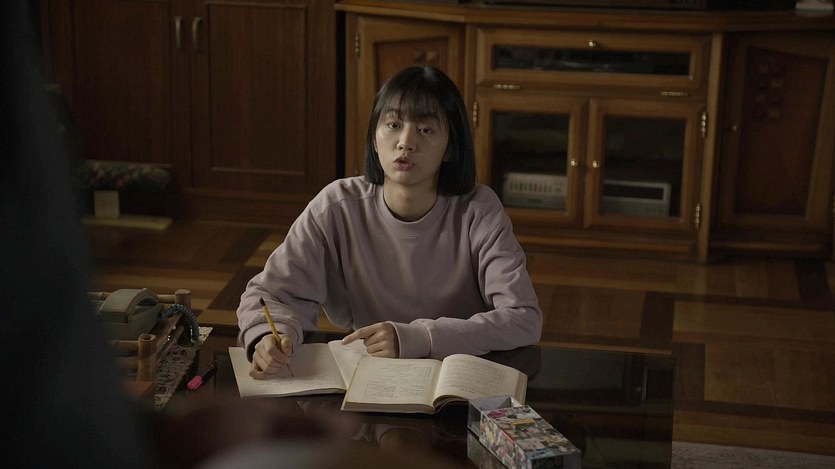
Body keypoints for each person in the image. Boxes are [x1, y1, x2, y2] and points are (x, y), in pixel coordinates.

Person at [237, 66, 542, 378]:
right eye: (394, 125)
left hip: (458, 376)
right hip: (372, 375)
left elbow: (523, 318)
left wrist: (420, 338)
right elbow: (269, 295)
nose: (405, 142)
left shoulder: (479, 211)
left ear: (451, 147)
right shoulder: (337, 207)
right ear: (374, 137)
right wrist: (269, 336)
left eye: (426, 130)